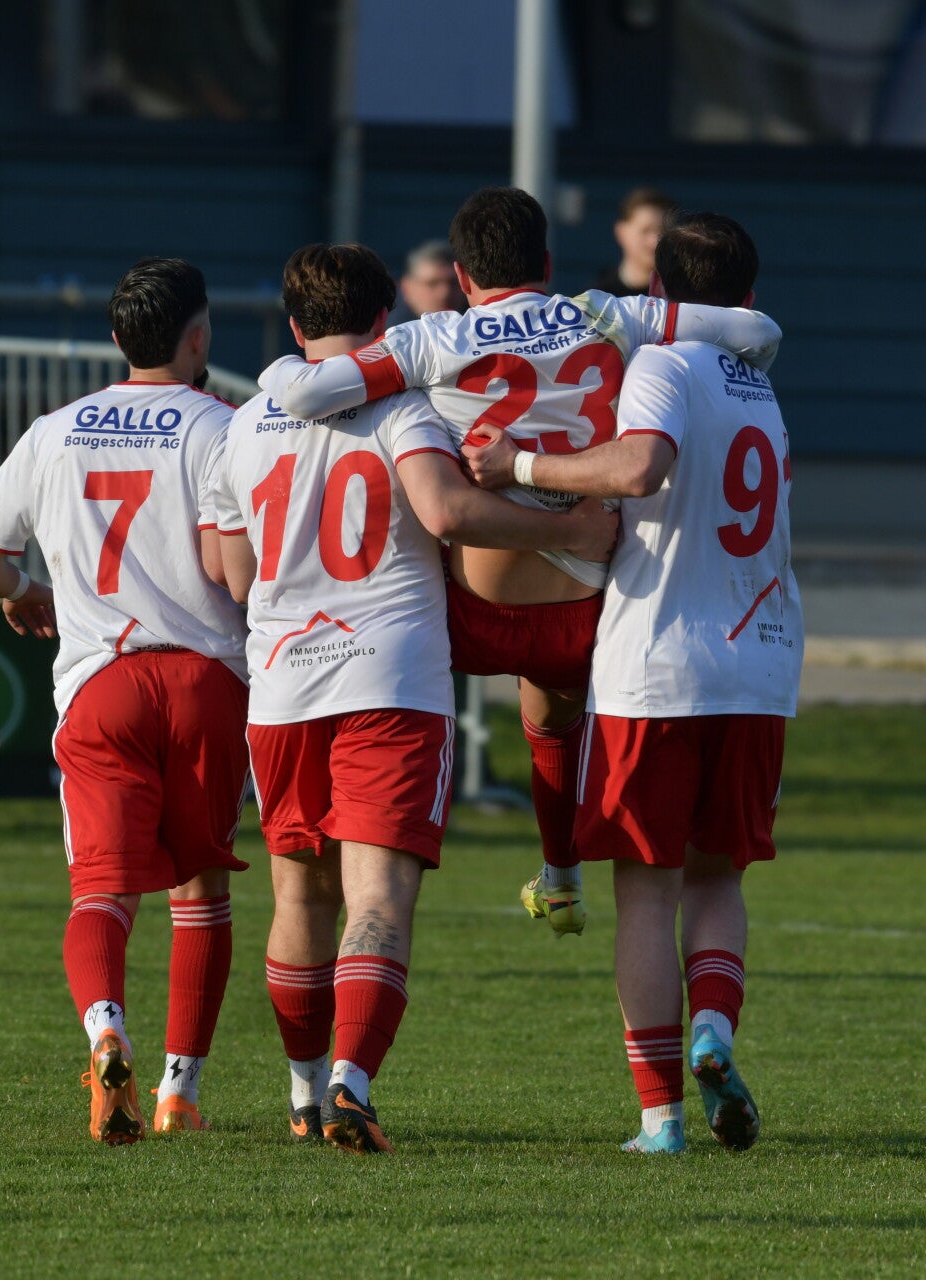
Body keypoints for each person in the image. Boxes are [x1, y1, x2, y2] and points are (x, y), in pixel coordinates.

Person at [257, 186, 780, 940]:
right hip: (581, 602)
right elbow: (752, 327)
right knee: (551, 716)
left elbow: (305, 392)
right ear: (548, 263)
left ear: (463, 277)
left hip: (468, 611)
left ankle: (358, 855)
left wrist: (278, 367)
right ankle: (560, 873)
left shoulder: (432, 337)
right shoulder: (609, 314)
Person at [215, 243, 616, 1153]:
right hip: (389, 677)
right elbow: (447, 513)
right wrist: (567, 529)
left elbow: (234, 573)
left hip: (283, 685)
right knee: (380, 898)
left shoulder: (245, 422)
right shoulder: (405, 406)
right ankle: (352, 1083)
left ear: (293, 327)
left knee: (299, 898)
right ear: (384, 321)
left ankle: (302, 1094)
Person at [466, 212, 799, 1154]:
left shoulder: (661, 364)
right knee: (718, 875)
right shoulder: (762, 386)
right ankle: (714, 1031)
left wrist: (521, 463)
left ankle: (660, 1117)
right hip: (762, 660)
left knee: (647, 892)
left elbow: (642, 466)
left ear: (660, 293)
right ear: (745, 295)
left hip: (659, 661)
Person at [0, 258, 250, 1145]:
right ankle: (178, 1094)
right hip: (206, 679)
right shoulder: (222, 427)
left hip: (102, 684)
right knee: (201, 894)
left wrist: (23, 591)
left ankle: (105, 1031)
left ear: (118, 338)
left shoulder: (55, 431)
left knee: (100, 893)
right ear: (199, 335)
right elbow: (228, 562)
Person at [590, 187, 675, 297]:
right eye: (646, 230)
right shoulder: (599, 297)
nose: (655, 241)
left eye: (663, 231)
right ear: (621, 232)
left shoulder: (682, 297)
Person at [393, 239, 464, 323]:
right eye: (432, 283)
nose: (444, 293)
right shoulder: (388, 329)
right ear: (406, 288)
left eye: (453, 283)